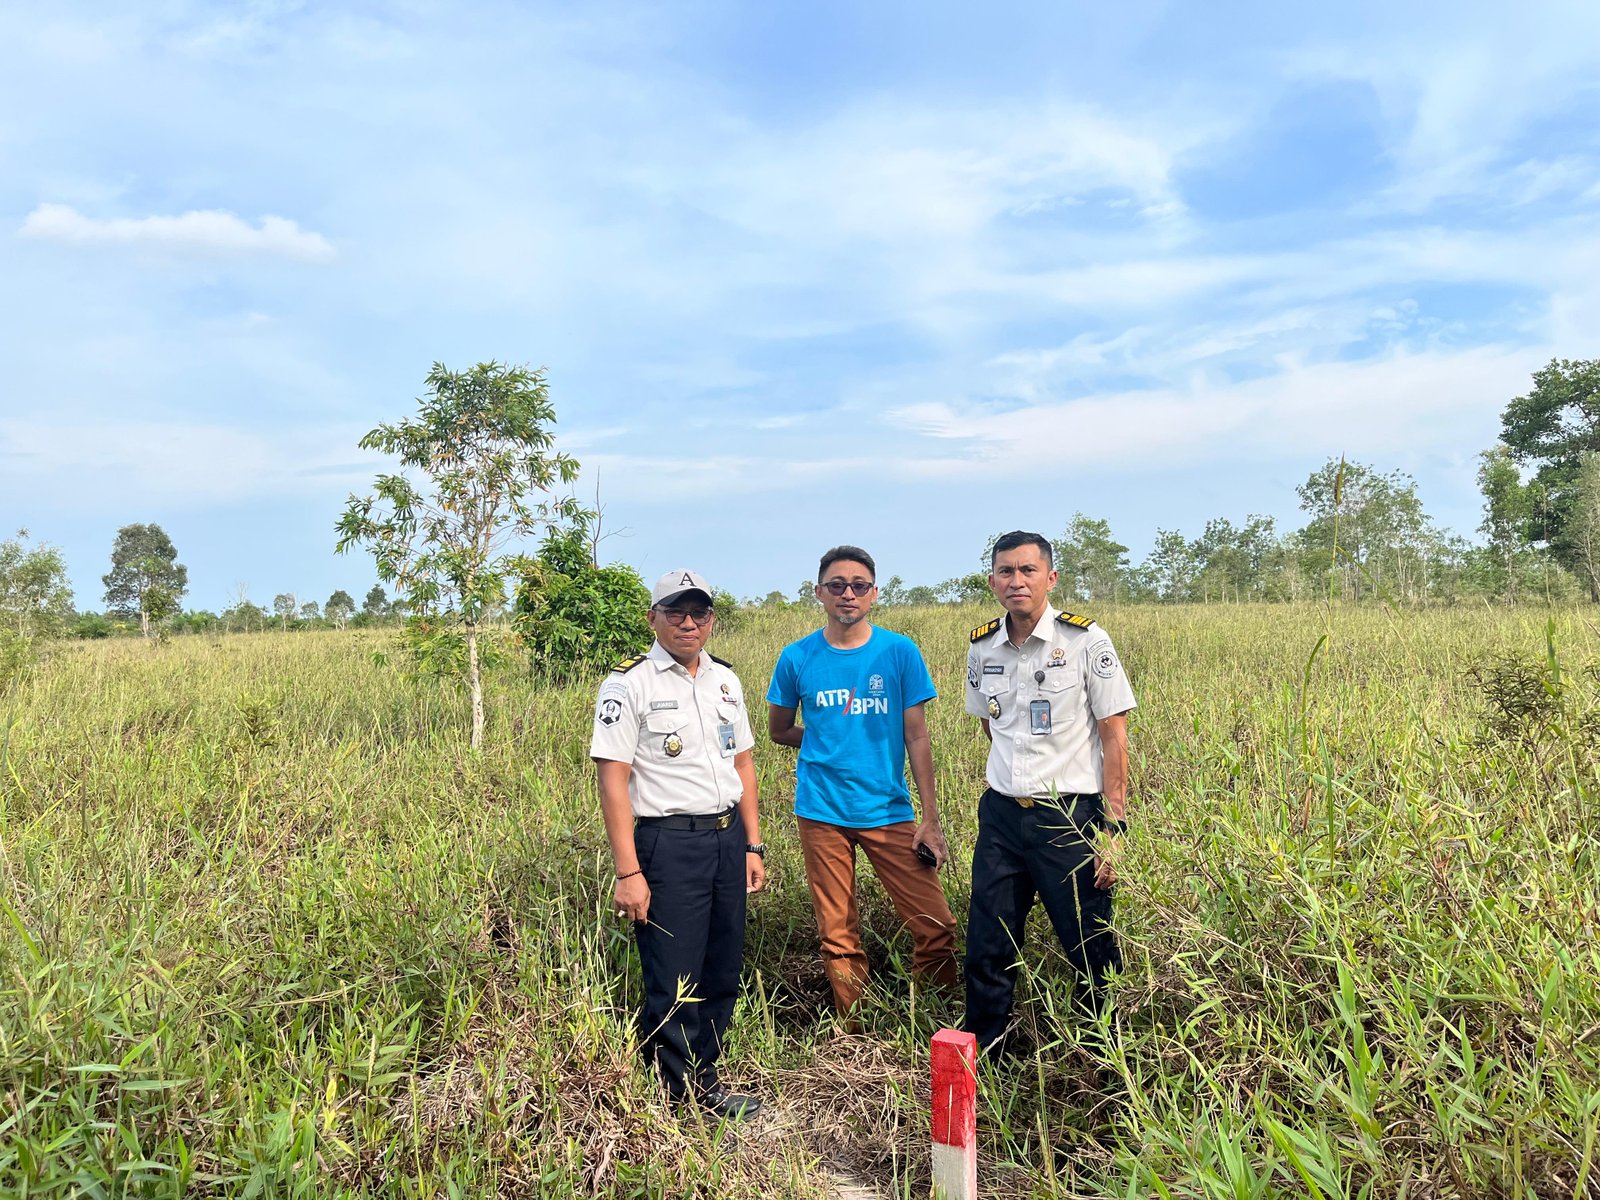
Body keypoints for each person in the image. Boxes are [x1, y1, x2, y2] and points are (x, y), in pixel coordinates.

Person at [590, 569, 767, 1120]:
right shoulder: (629, 684)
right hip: (668, 843)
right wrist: (628, 871)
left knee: (720, 965)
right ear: (654, 618)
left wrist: (753, 844)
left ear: (711, 620)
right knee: (673, 970)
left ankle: (704, 1077)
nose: (688, 623)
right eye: (675, 612)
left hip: (726, 838)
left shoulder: (724, 680)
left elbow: (742, 762)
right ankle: (674, 1093)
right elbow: (612, 777)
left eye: (699, 613)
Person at [962, 531, 1136, 1058]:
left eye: (1028, 571)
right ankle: (986, 1059)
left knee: (1090, 947)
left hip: (1069, 819)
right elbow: (993, 727)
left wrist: (1114, 828)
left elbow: (1114, 735)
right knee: (988, 946)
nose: (1017, 581)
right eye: (1006, 572)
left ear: (1050, 578)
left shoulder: (1085, 641)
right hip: (1001, 818)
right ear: (992, 581)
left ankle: (1105, 1064)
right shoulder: (981, 646)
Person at [767, 545, 960, 1016]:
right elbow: (779, 729)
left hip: (888, 809)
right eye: (837, 586)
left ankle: (931, 1019)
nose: (847, 594)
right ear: (819, 593)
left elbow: (916, 737)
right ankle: (854, 1030)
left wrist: (930, 819)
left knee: (936, 926)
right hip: (821, 811)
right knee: (837, 934)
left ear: (874, 593)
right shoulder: (797, 658)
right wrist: (826, 747)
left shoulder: (898, 652)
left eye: (858, 586)